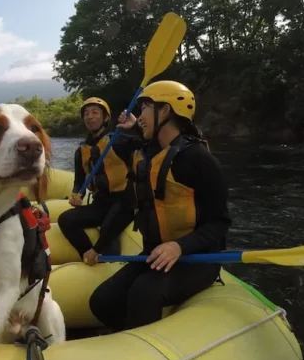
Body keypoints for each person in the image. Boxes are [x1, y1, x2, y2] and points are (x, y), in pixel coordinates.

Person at [86, 80, 231, 330]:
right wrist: (97, 247)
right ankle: (131, 336)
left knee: (144, 293)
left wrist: (180, 246)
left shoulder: (199, 159)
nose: (139, 117)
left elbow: (220, 223)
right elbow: (126, 207)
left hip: (197, 257)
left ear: (164, 110)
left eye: (144, 109)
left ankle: (141, 353)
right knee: (101, 302)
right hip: (154, 254)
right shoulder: (146, 156)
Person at [57, 97, 138, 263]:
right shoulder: (81, 151)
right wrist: (76, 194)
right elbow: (79, 180)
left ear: (106, 118)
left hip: (125, 201)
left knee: (108, 230)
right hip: (101, 202)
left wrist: (135, 127)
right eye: (86, 113)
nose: (90, 116)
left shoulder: (120, 140)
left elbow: (148, 144)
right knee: (65, 219)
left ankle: (108, 260)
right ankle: (88, 255)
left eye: (95, 112)